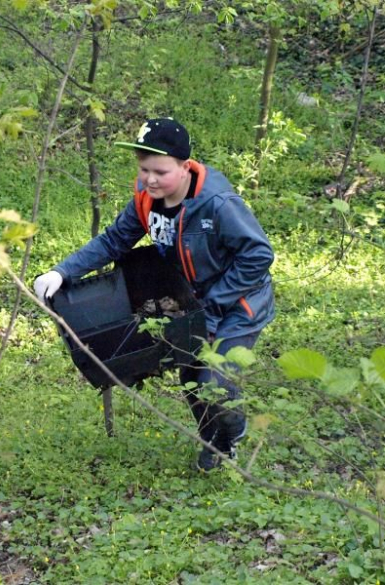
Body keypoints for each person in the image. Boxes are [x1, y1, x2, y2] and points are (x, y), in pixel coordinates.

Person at [34, 118, 275, 471]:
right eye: (144, 169)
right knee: (192, 375)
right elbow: (115, 240)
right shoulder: (147, 199)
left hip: (239, 303)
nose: (149, 179)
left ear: (184, 165)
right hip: (191, 302)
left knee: (215, 378)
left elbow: (258, 255)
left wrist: (214, 302)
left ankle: (230, 434)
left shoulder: (217, 204)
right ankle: (216, 444)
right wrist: (62, 271)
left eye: (160, 171)